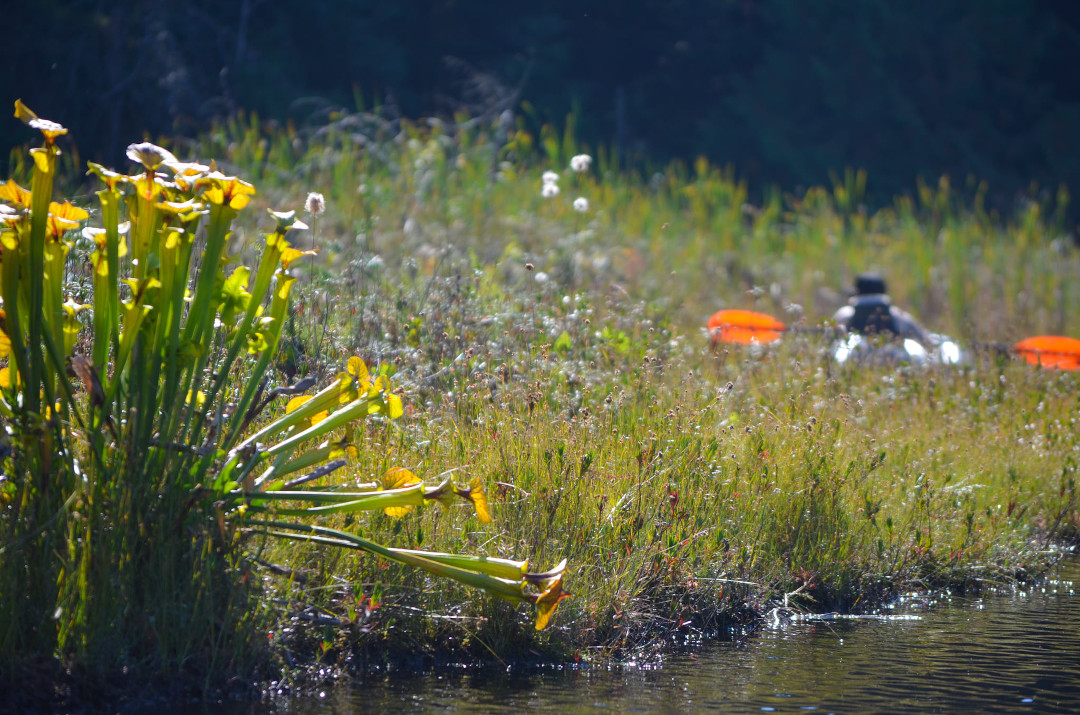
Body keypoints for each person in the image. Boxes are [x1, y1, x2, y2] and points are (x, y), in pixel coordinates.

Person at [832, 273, 931, 344]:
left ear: (856, 293)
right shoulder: (899, 316)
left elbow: (828, 340)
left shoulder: (844, 314)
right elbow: (924, 340)